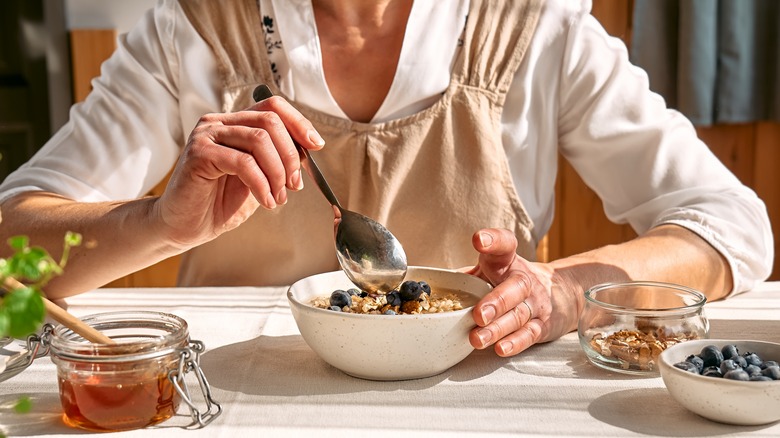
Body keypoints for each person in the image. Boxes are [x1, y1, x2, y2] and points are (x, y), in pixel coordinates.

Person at [0, 0, 773, 358]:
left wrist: (561, 293)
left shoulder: (537, 27)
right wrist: (159, 223)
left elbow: (733, 224)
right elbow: (9, 243)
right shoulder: (192, 29)